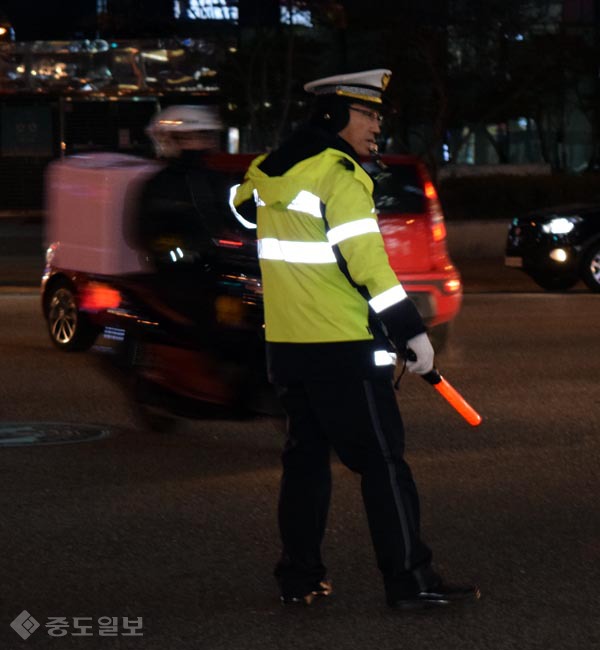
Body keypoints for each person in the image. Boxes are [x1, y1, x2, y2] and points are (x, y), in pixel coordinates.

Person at [233, 69, 480, 609]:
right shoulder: (338, 175)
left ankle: (299, 578)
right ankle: (411, 582)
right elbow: (368, 265)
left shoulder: (270, 171)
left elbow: (241, 206)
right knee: (383, 464)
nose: (376, 127)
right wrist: (412, 331)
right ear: (335, 116)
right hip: (342, 348)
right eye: (368, 115)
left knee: (304, 464)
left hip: (289, 351)